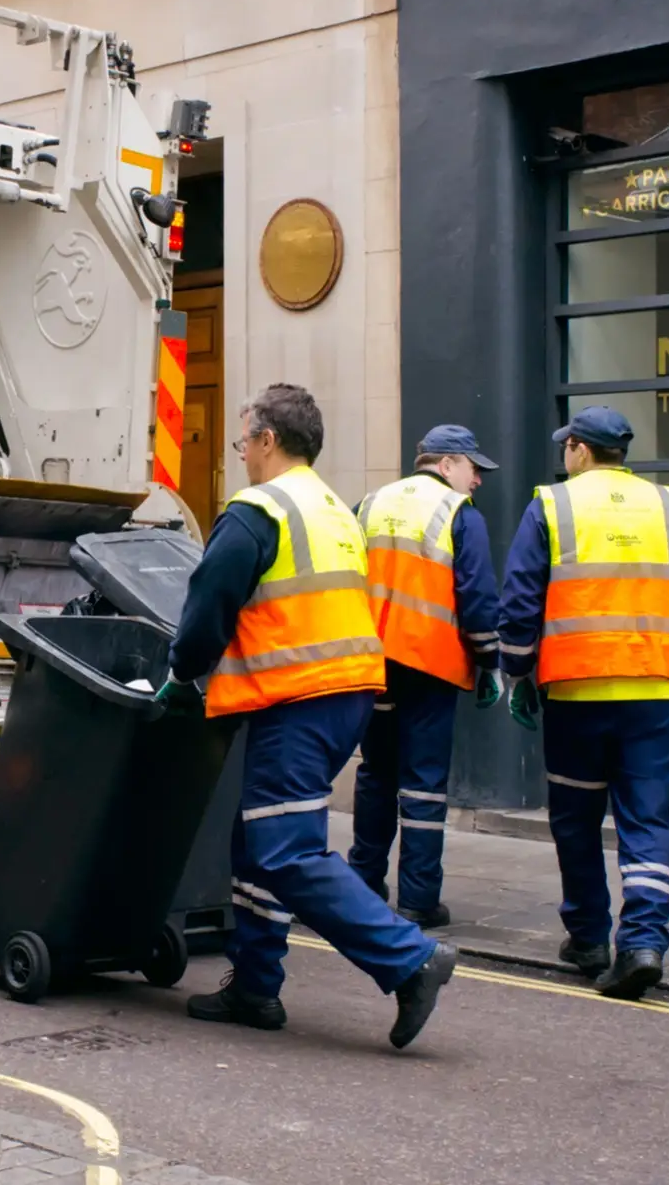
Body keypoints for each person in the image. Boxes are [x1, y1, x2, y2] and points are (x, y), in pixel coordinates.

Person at [155, 383, 459, 1049]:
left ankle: (409, 960)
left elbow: (209, 602)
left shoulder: (258, 509)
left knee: (285, 849)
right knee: (255, 840)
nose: (241, 453)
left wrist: (180, 672)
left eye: (242, 440)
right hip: (341, 693)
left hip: (299, 695)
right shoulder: (331, 508)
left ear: (267, 439)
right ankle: (256, 986)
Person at [496, 405, 669, 1001]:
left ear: (579, 450)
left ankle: (590, 938)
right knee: (647, 818)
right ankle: (644, 943)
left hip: (577, 691)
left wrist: (517, 674)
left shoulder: (552, 504)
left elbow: (520, 600)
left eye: (565, 444)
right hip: (652, 692)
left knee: (575, 818)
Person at [347, 425, 505, 928]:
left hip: (372, 663)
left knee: (376, 772)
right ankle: (418, 898)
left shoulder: (369, 503)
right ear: (446, 464)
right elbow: (478, 599)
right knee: (422, 782)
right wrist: (489, 661)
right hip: (428, 666)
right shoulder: (459, 514)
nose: (477, 479)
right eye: (473, 467)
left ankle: (363, 883)